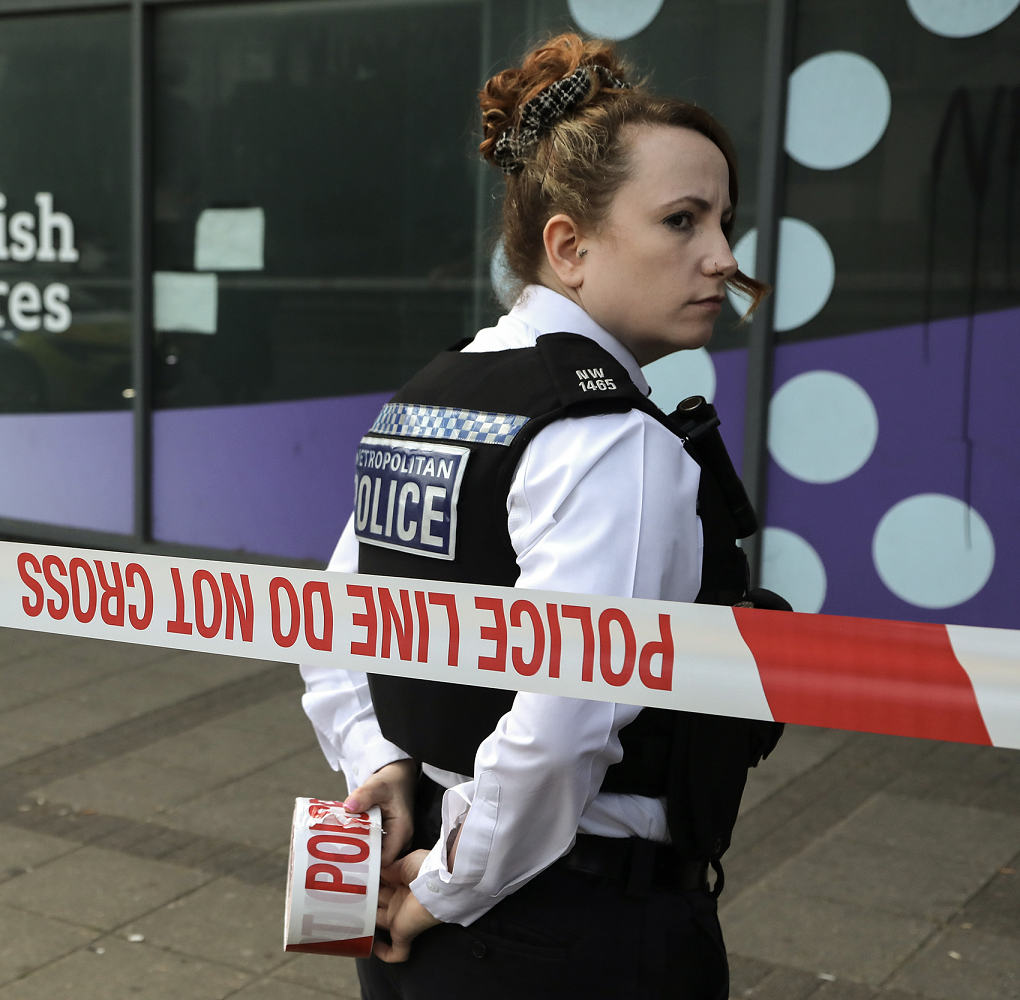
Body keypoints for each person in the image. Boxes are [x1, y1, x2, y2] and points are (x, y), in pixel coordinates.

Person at [300, 32, 786, 999]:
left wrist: (383, 770)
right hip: (564, 926)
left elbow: (334, 628)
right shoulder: (610, 437)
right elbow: (566, 721)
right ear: (569, 247)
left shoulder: (430, 394)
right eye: (682, 221)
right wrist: (447, 887)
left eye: (724, 222)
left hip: (423, 884)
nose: (723, 259)